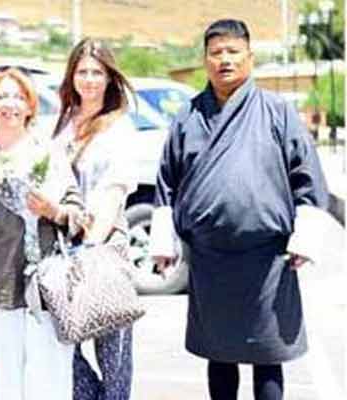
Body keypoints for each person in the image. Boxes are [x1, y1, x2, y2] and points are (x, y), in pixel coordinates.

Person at [150, 19, 328, 400]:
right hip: (210, 259)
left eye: (233, 52)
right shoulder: (188, 117)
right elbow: (167, 181)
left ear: (250, 58)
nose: (224, 60)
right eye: (216, 53)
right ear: (205, 60)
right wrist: (164, 242)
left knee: (267, 354)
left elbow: (307, 178)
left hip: (267, 258)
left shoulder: (277, 112)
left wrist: (305, 238)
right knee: (220, 353)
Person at [0, 67, 83, 400]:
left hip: (46, 288)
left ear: (30, 106)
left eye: (18, 96)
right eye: (1, 96)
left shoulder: (49, 152)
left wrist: (53, 211)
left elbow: (77, 213)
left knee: (50, 383)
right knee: (1, 385)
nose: (10, 103)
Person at [52, 37, 142, 400]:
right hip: (60, 248)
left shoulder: (119, 128)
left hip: (103, 250)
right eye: (82, 71)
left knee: (114, 358)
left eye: (97, 73)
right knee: (62, 353)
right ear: (72, 76)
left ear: (110, 78)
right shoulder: (60, 124)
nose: (89, 79)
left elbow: (114, 194)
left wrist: (90, 248)